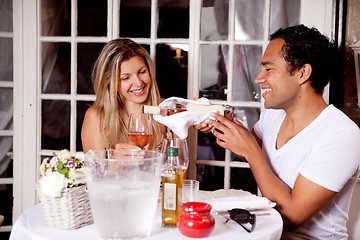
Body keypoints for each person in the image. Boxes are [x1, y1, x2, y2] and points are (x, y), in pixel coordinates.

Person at [195, 24, 360, 239]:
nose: (258, 78)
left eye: (269, 69)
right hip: (267, 234)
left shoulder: (341, 135)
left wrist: (252, 151)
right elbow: (250, 151)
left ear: (303, 73)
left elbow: (292, 216)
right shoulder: (273, 114)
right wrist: (222, 124)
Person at [81, 38, 166, 153]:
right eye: (125, 78)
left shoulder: (168, 112)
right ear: (110, 82)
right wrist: (114, 163)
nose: (138, 83)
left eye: (142, 72)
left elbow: (181, 168)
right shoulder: (97, 117)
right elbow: (93, 170)